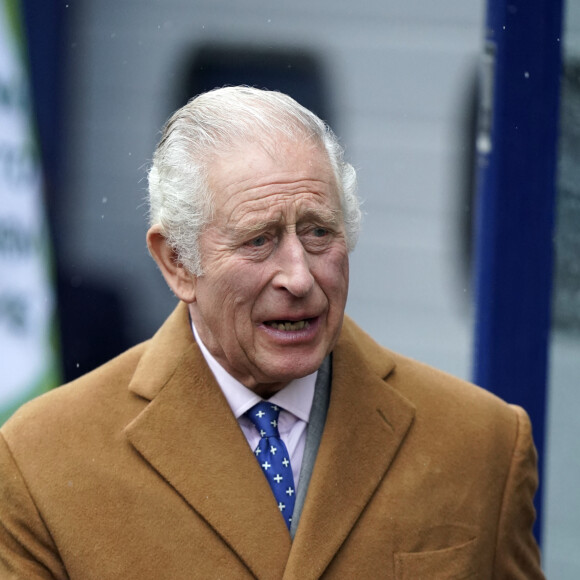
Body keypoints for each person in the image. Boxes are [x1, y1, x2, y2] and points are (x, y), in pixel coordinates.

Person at [0, 86, 544, 579]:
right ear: (177, 263)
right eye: (258, 240)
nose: (299, 276)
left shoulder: (483, 445)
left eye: (318, 232)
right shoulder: (42, 461)